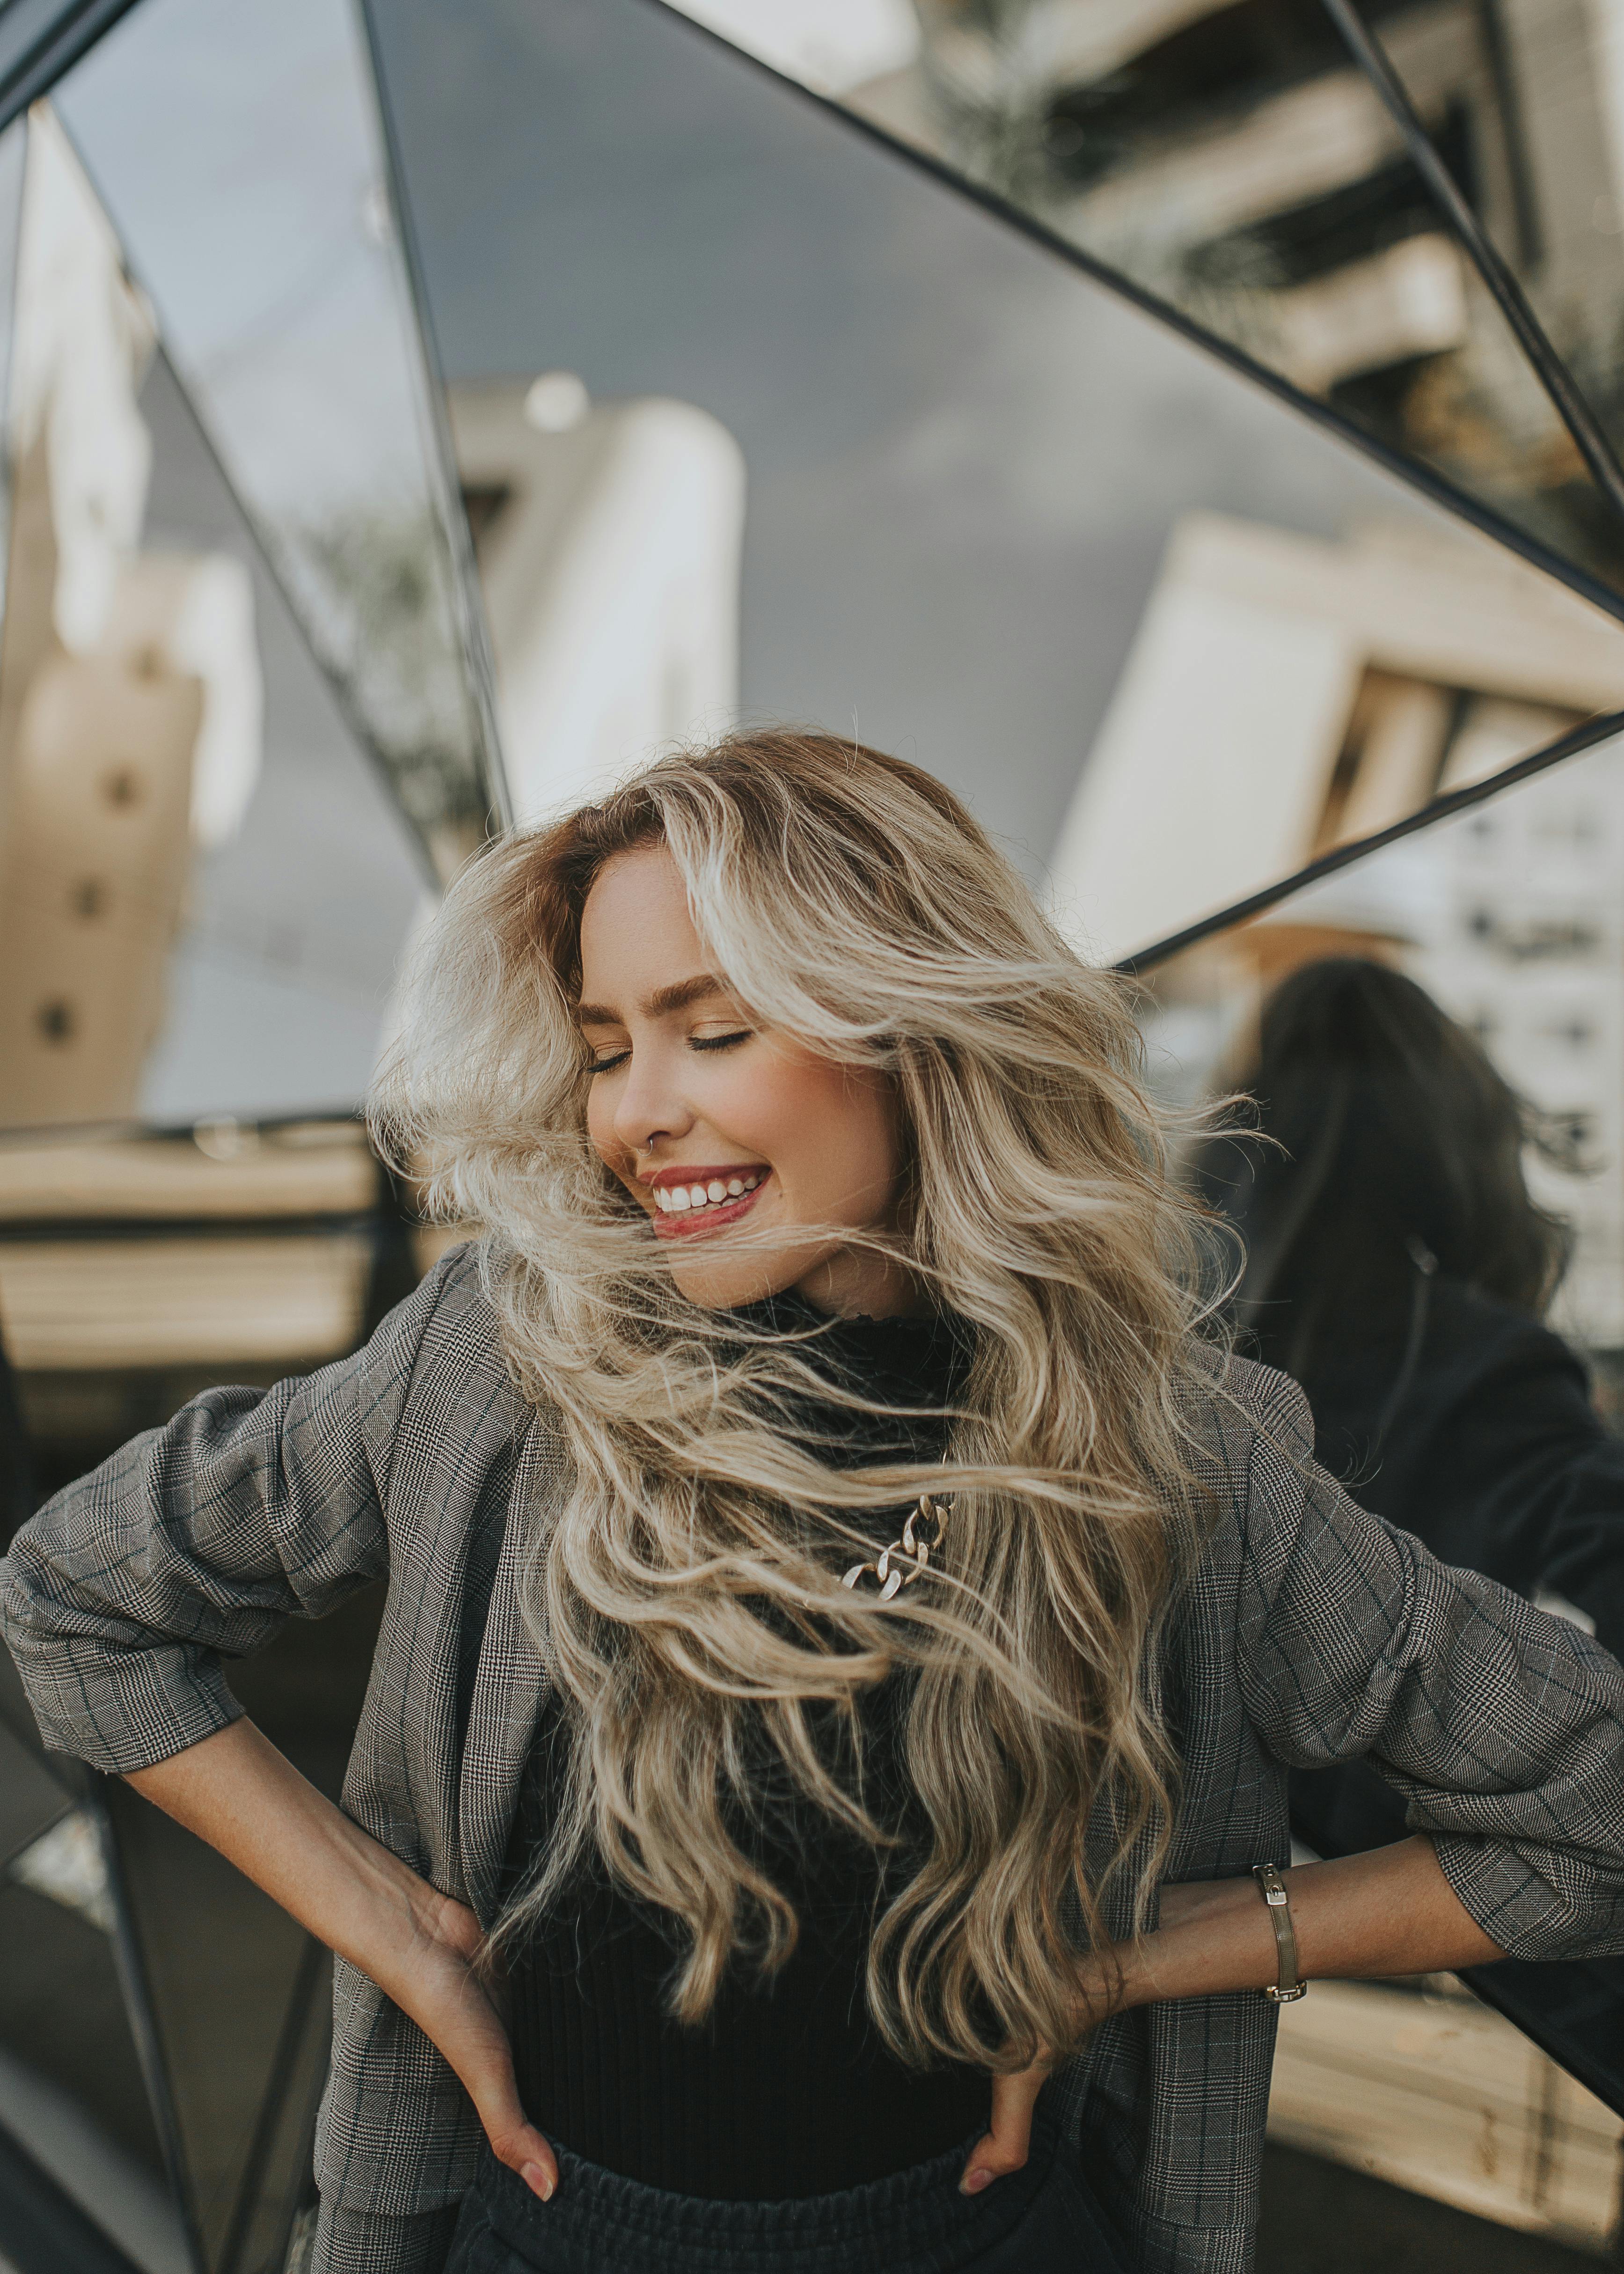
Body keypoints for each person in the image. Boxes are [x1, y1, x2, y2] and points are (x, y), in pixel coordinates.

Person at [4, 732, 1624, 2274]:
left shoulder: (1167, 1453)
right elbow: (81, 1599)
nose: (638, 1111)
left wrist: (1139, 1955)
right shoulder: (501, 1363)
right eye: (602, 1044)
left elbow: (1587, 1803)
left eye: (714, 1032)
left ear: (913, 1034)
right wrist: (397, 1928)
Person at [1200, 955, 1624, 1862]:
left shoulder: (1167, 1338)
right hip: (1393, 1899)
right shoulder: (1484, 1366)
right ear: (1448, 1132)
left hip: (1174, 1888)